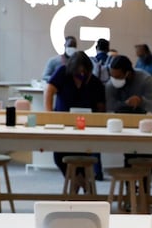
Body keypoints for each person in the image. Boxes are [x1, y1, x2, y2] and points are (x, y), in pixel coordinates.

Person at [45, 51, 106, 186]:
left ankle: (80, 183)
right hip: (63, 123)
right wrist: (49, 114)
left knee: (82, 157)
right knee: (59, 157)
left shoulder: (94, 82)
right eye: (78, 72)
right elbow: (49, 90)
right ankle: (77, 181)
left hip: (86, 127)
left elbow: (101, 107)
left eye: (85, 72)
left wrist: (98, 122)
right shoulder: (63, 73)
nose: (81, 75)